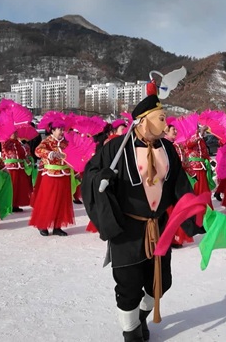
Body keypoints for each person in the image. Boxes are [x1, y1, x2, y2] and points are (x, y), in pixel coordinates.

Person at [82, 93, 197, 342]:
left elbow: (180, 186)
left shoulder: (168, 148)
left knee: (161, 283)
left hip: (159, 227)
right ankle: (131, 331)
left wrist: (197, 214)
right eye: (161, 118)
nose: (166, 123)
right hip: (128, 230)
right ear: (143, 121)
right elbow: (90, 173)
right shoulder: (116, 148)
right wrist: (100, 178)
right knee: (128, 286)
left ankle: (139, 317)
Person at [29, 121, 73, 236]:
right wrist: (49, 153)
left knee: (61, 201)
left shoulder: (66, 143)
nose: (62, 132)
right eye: (59, 129)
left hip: (64, 175)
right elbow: (37, 151)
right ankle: (43, 224)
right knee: (48, 200)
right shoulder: (47, 141)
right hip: (50, 175)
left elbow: (72, 156)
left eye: (63, 129)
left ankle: (57, 226)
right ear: (52, 130)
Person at [0, 131, 33, 212]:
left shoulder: (20, 143)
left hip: (20, 167)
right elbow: (5, 150)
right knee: (11, 187)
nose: (14, 135)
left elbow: (25, 154)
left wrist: (24, 144)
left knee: (19, 187)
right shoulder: (5, 143)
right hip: (11, 168)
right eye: (12, 133)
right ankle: (9, 204)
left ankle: (16, 205)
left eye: (16, 133)